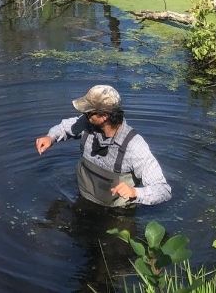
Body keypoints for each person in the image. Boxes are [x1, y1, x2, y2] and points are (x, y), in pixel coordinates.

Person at [34, 84, 171, 208]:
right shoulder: (87, 124)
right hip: (83, 202)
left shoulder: (134, 146)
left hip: (118, 216)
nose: (84, 115)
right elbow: (65, 127)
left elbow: (163, 190)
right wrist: (50, 137)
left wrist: (135, 192)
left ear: (104, 116)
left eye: (88, 112)